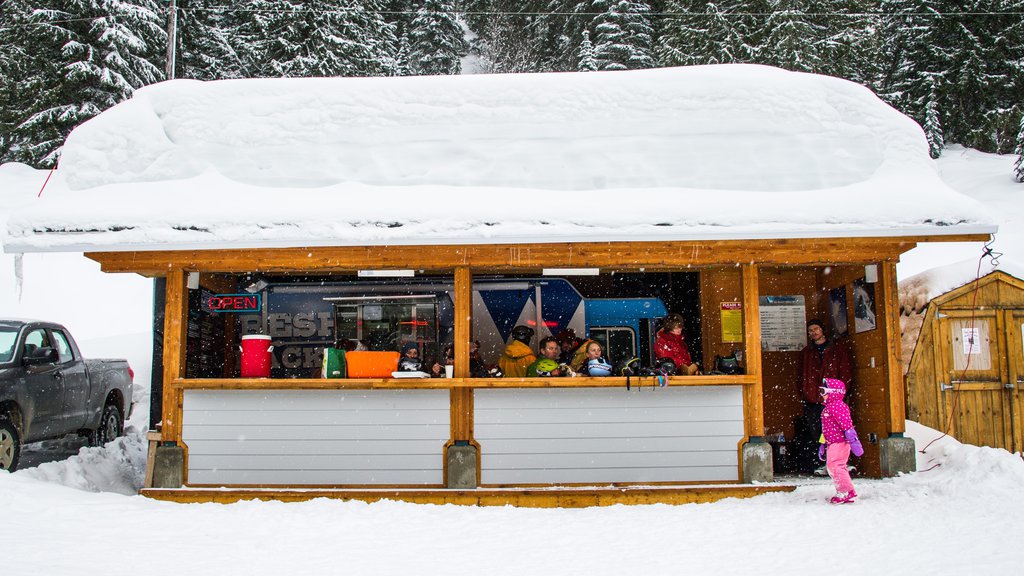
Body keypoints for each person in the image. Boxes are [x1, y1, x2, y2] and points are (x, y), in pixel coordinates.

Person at [795, 319, 853, 474]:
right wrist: (804, 392)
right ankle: (823, 463)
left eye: (816, 329)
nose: (813, 332)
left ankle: (839, 462)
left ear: (823, 330)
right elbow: (800, 376)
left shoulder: (837, 350)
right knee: (817, 432)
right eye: (810, 330)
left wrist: (842, 392)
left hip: (832, 397)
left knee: (837, 431)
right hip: (813, 398)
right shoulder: (806, 353)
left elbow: (845, 372)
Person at [818, 378, 863, 504]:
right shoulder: (828, 408)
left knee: (836, 466)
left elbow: (847, 426)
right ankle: (844, 490)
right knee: (832, 466)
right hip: (832, 442)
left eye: (823, 391)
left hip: (840, 442)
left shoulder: (838, 406)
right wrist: (822, 444)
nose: (822, 394)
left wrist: (854, 441)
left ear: (834, 392)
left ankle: (847, 492)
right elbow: (825, 430)